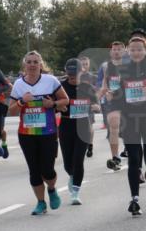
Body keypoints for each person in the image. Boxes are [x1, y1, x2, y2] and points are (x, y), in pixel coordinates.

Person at [9, 51, 69, 215]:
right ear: (25, 65)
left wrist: (53, 103)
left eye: (36, 62)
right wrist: (22, 101)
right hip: (27, 134)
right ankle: (41, 202)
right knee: (34, 171)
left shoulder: (50, 81)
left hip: (48, 132)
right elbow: (11, 111)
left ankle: (51, 188)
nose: (32, 65)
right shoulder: (19, 85)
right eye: (29, 62)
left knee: (47, 170)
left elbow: (65, 100)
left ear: (41, 65)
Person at [107, 36, 146, 215]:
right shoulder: (123, 70)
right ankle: (134, 199)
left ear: (144, 51)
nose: (136, 52)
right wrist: (113, 105)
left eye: (139, 49)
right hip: (130, 119)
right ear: (128, 52)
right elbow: (118, 94)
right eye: (133, 49)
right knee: (134, 159)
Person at [59, 58, 98, 205]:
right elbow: (53, 103)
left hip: (83, 127)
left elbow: (97, 105)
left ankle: (75, 192)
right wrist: (58, 106)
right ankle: (71, 175)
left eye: (75, 72)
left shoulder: (87, 87)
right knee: (68, 163)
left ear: (82, 71)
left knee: (78, 160)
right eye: (69, 73)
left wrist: (94, 107)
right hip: (66, 125)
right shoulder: (60, 86)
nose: (72, 76)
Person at [97, 41, 126, 171]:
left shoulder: (131, 65)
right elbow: (104, 83)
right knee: (113, 125)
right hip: (113, 100)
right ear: (110, 52)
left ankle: (130, 150)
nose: (116, 51)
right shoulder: (106, 66)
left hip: (129, 100)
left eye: (119, 49)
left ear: (124, 51)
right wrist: (102, 94)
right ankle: (115, 158)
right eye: (114, 49)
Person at [78, 55, 96, 158]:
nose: (84, 66)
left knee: (89, 126)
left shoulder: (92, 77)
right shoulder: (75, 76)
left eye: (86, 64)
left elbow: (98, 89)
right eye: (82, 64)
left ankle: (90, 145)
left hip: (88, 105)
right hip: (77, 105)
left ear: (89, 65)